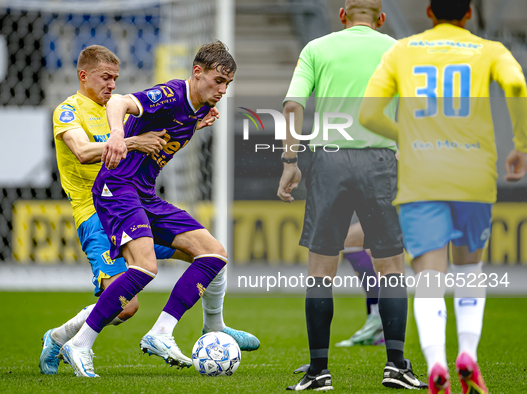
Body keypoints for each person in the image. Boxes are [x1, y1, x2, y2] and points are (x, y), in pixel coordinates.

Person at [40, 44, 258, 376]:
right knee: (133, 294)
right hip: (104, 204)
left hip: (140, 198)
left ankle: (209, 327)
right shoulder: (73, 110)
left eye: (115, 78)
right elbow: (93, 142)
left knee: (213, 256)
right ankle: (68, 341)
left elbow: (152, 127)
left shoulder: (193, 107)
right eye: (105, 78)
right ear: (84, 76)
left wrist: (193, 125)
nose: (111, 85)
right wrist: (122, 139)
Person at [360, 0, 527, 393]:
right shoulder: (489, 50)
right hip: (473, 176)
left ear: (429, 12)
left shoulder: (402, 49)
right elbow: (517, 85)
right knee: (469, 270)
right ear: (468, 14)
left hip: (422, 178)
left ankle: (436, 364)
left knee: (429, 275)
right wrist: (519, 144)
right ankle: (467, 353)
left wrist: (410, 138)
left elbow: (368, 113)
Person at [279, 0, 426, 390]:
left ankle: (318, 372)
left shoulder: (317, 48)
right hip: (381, 163)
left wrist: (290, 160)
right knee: (392, 271)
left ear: (341, 16)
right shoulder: (398, 50)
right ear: (380, 19)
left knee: (320, 273)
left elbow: (293, 105)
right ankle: (396, 366)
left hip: (328, 161)